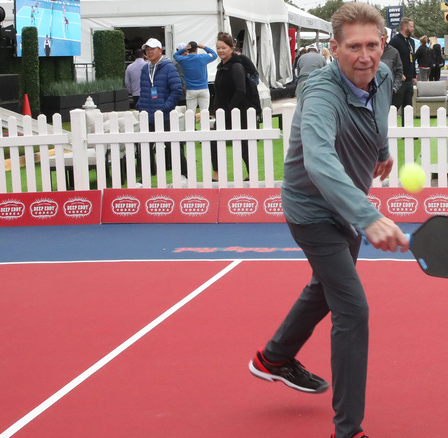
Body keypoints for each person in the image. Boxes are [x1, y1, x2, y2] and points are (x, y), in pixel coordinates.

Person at [247, 3, 409, 438]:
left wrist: (380, 151)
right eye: (353, 46)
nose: (364, 56)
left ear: (383, 44)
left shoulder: (384, 75)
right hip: (311, 209)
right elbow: (318, 160)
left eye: (372, 45)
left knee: (325, 287)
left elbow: (379, 112)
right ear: (334, 48)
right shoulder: (320, 92)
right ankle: (348, 430)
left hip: (350, 203)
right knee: (353, 309)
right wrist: (368, 216)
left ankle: (274, 358)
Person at [135, 38, 187, 181]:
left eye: (152, 49)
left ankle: (185, 174)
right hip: (148, 114)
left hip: (164, 115)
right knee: (145, 148)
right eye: (147, 49)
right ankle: (145, 177)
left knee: (173, 145)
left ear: (160, 50)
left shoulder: (169, 67)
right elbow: (144, 90)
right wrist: (141, 106)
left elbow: (176, 90)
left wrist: (165, 107)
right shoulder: (145, 68)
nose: (149, 52)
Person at [212, 33, 260, 181]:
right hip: (225, 111)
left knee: (243, 143)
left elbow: (241, 91)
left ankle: (251, 175)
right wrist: (214, 110)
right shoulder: (221, 67)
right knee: (215, 140)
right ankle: (217, 174)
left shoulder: (236, 66)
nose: (220, 50)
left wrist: (229, 109)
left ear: (232, 48)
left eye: (223, 48)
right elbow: (219, 92)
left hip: (240, 112)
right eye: (218, 48)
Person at [173, 41, 217, 114]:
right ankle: (204, 125)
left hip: (191, 90)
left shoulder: (184, 60)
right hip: (203, 88)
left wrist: (184, 49)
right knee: (204, 112)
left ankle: (191, 125)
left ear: (188, 50)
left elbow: (175, 55)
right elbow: (214, 55)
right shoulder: (203, 57)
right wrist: (204, 47)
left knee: (190, 112)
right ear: (196, 49)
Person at [389, 17, 416, 116]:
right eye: (411, 26)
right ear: (404, 27)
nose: (413, 29)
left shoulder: (411, 42)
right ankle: (390, 127)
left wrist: (413, 75)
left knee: (408, 107)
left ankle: (407, 129)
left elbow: (412, 59)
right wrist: (397, 73)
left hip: (409, 81)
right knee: (394, 106)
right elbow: (389, 60)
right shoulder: (395, 41)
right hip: (399, 81)